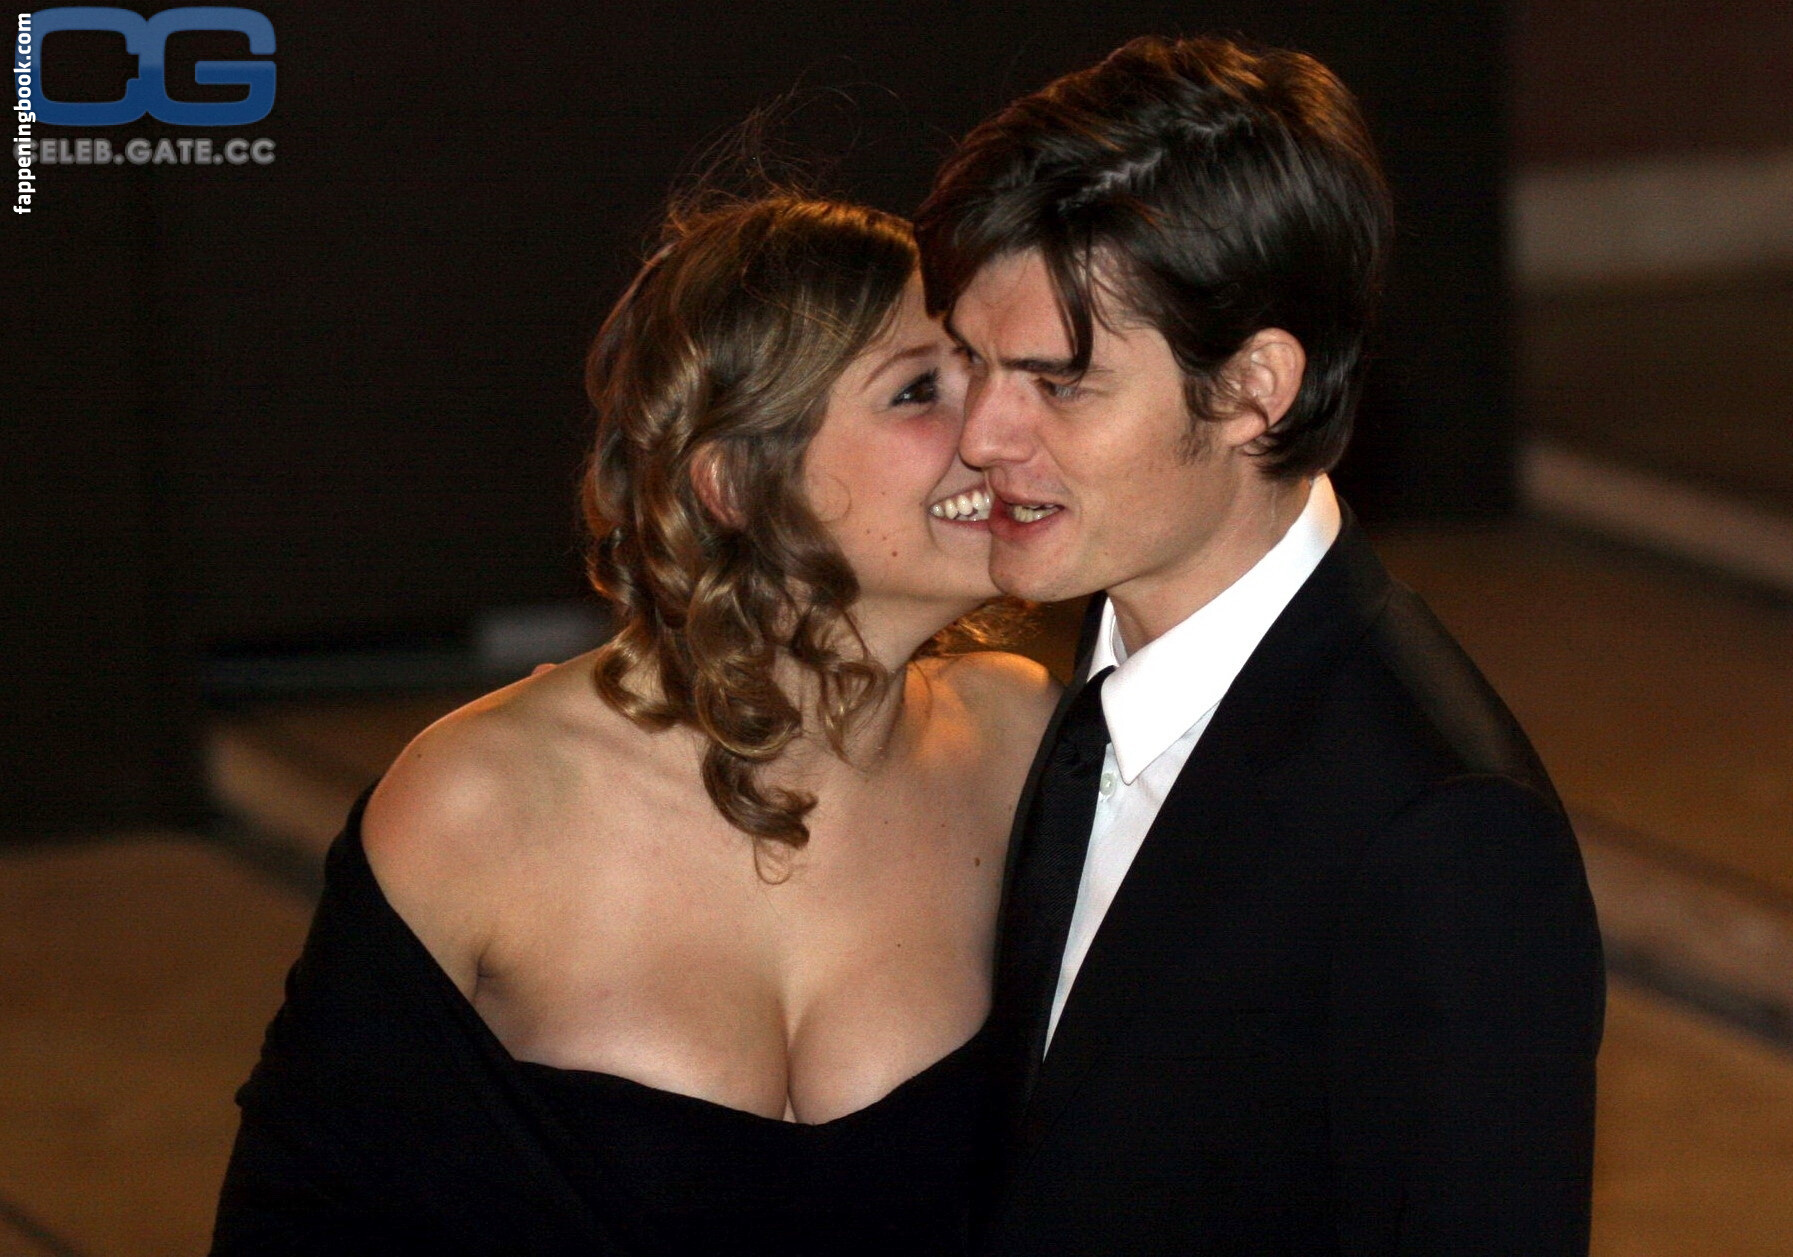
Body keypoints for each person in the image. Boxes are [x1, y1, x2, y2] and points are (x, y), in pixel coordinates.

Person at [211, 192, 1058, 1255]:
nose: (999, 429)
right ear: (735, 480)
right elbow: (298, 1225)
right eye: (921, 388)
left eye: (988, 371)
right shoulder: (479, 800)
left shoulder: (1024, 741)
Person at [913, 35, 1606, 1255]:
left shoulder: (1445, 833)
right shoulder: (1072, 696)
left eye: (1059, 383)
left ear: (1253, 391)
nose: (981, 435)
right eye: (971, 361)